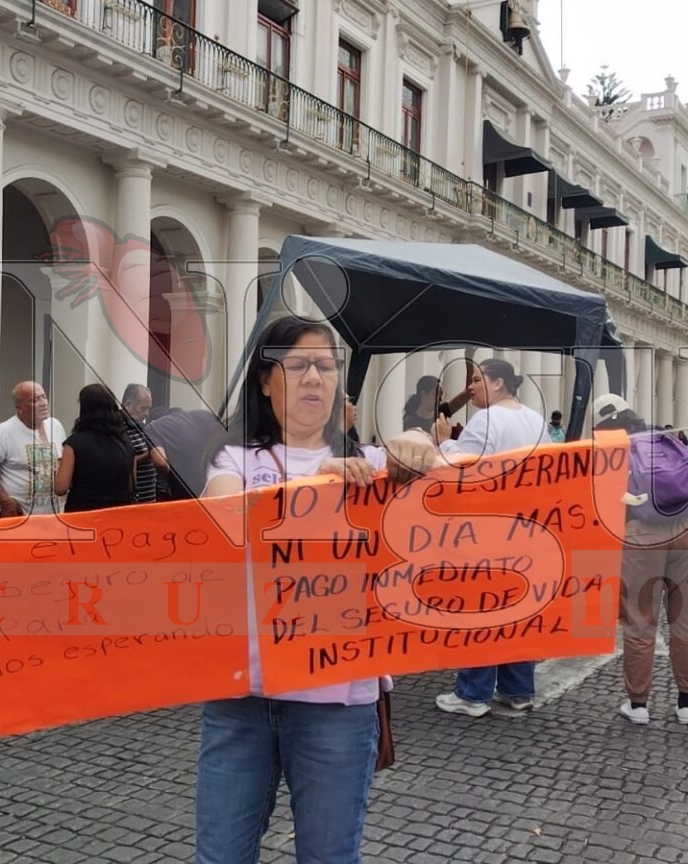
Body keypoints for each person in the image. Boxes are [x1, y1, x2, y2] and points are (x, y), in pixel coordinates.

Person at [197, 316, 444, 864]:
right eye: (298, 365)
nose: (315, 378)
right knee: (220, 856)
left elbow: (462, 492)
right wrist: (310, 488)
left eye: (326, 366)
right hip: (242, 698)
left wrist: (422, 444)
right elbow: (222, 517)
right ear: (265, 381)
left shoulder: (376, 467)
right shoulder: (234, 460)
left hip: (339, 704)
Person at [430, 357, 550, 718]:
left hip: (487, 526)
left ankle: (473, 693)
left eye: (478, 381)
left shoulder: (487, 419)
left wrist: (443, 441)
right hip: (527, 527)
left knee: (480, 607)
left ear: (497, 383)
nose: (471, 388)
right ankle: (517, 689)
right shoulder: (536, 420)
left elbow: (463, 467)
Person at [593, 395, 688, 726]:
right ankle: (687, 704)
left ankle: (639, 704)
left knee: (640, 620)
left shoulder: (611, 447)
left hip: (642, 533)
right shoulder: (668, 436)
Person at [0, 381, 68, 517]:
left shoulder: (55, 426)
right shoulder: (3, 432)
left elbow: (61, 461)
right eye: (35, 400)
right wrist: (5, 501)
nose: (43, 403)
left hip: (53, 516)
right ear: (19, 408)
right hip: (18, 517)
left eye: (44, 397)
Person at [54, 384, 137, 513]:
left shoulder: (74, 444)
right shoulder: (126, 443)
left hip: (82, 515)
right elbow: (131, 485)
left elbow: (60, 488)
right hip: (117, 515)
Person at [146, 407, 226, 501]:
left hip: (186, 491)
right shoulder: (205, 415)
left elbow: (161, 462)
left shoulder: (153, 428)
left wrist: (171, 480)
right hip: (216, 481)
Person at [120, 383, 165, 504]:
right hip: (133, 501)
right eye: (143, 408)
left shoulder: (142, 427)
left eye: (148, 408)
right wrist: (147, 455)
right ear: (128, 405)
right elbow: (119, 460)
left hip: (149, 497)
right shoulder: (118, 428)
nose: (147, 414)